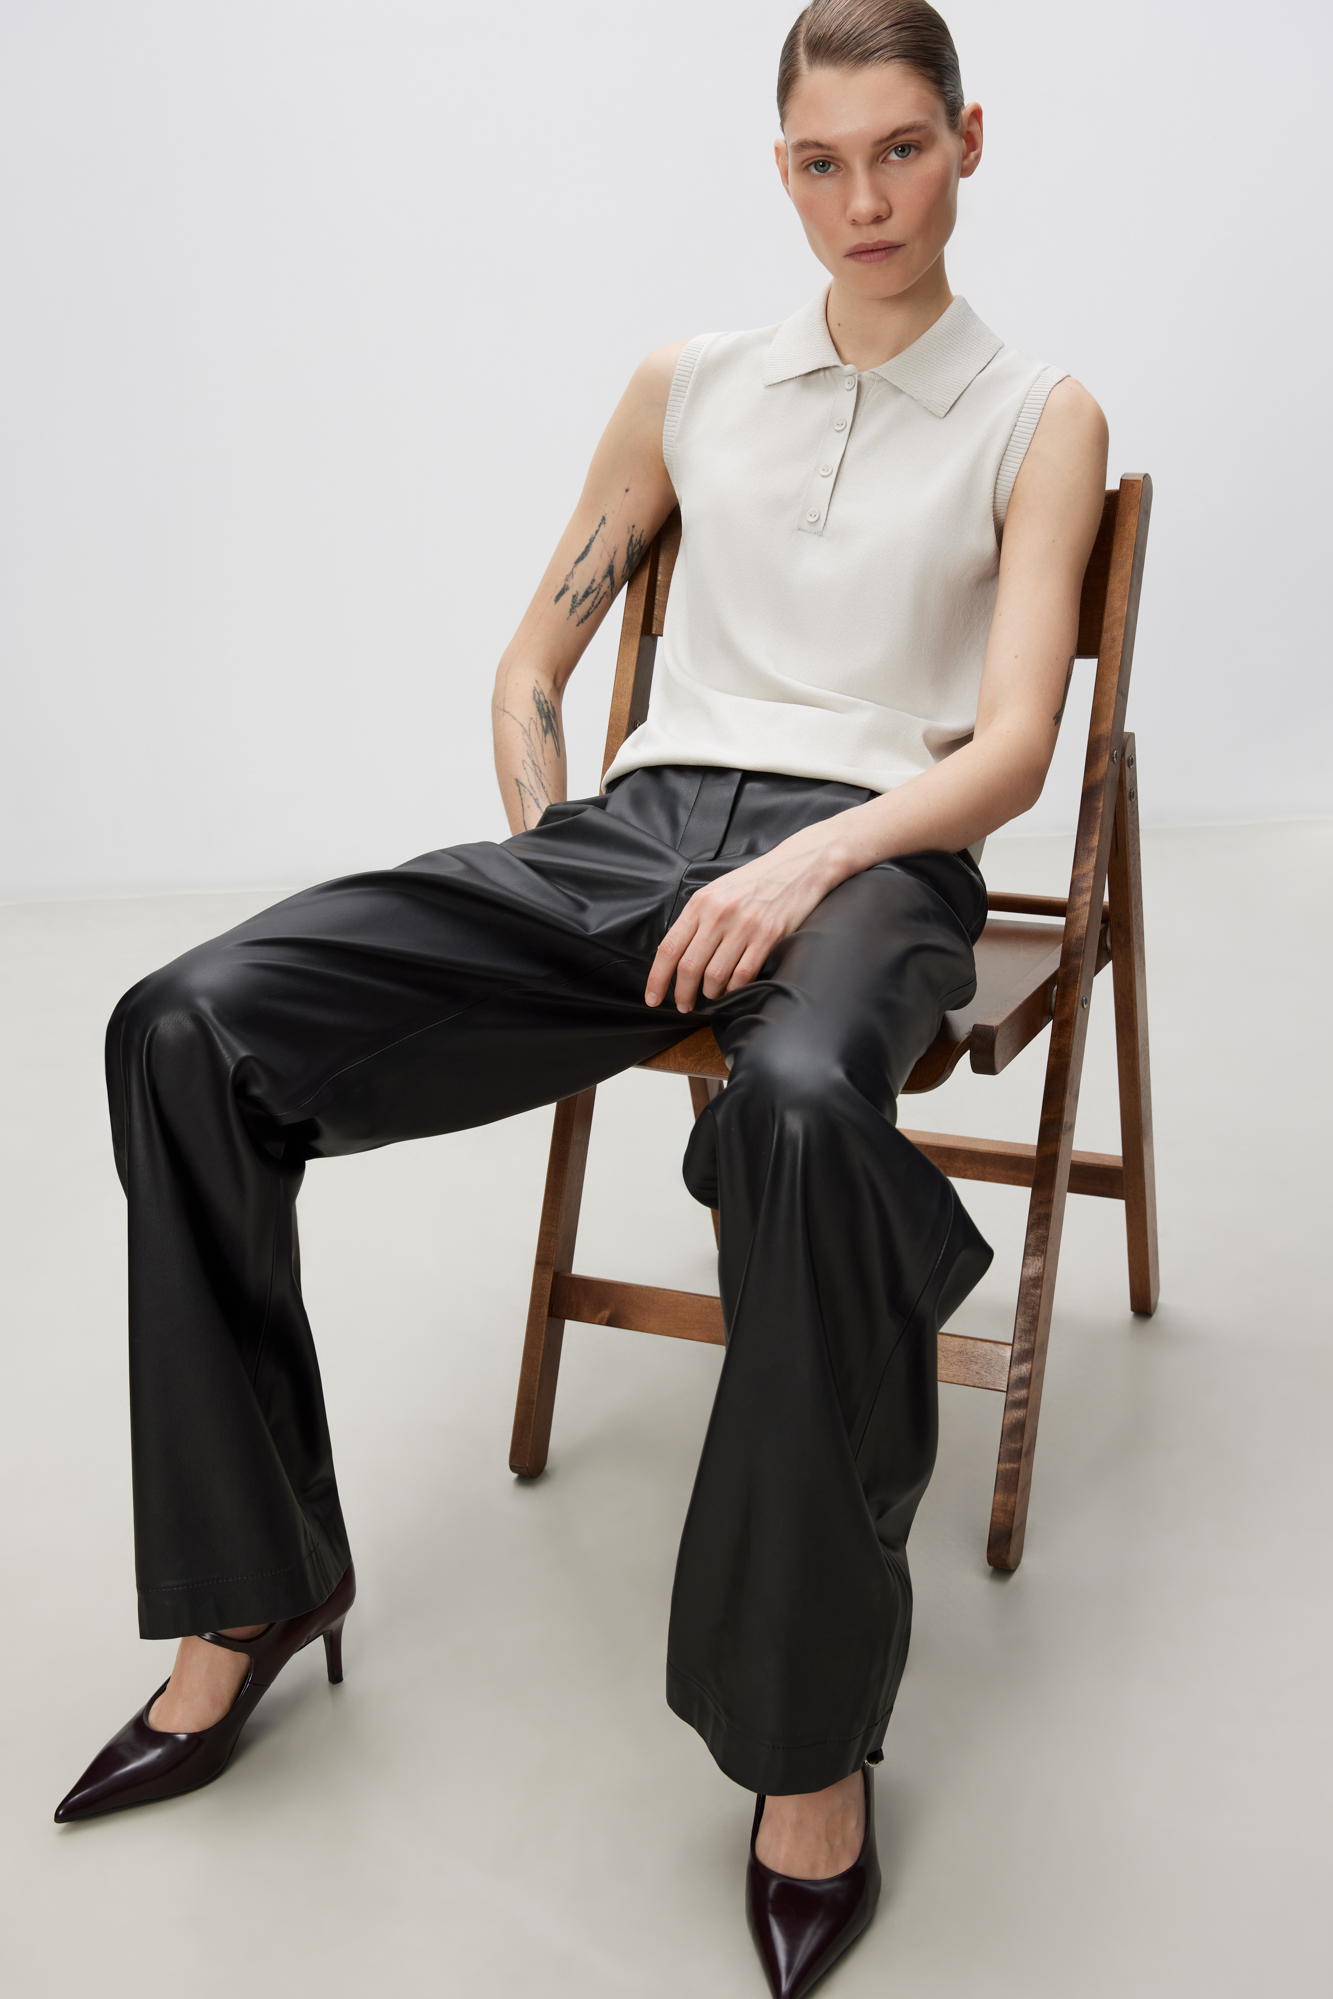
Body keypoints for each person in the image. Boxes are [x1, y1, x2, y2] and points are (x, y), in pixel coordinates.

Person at [54, 3, 1108, 1993]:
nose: (863, 200)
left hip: (879, 858)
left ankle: (806, 1743)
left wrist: (803, 866)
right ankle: (249, 1596)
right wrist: (562, 866)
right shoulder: (685, 383)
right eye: (821, 161)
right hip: (637, 839)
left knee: (800, 1112)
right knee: (184, 1024)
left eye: (900, 150)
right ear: (779, 167)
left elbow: (1011, 748)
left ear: (967, 141)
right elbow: (532, 664)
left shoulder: (1036, 414)